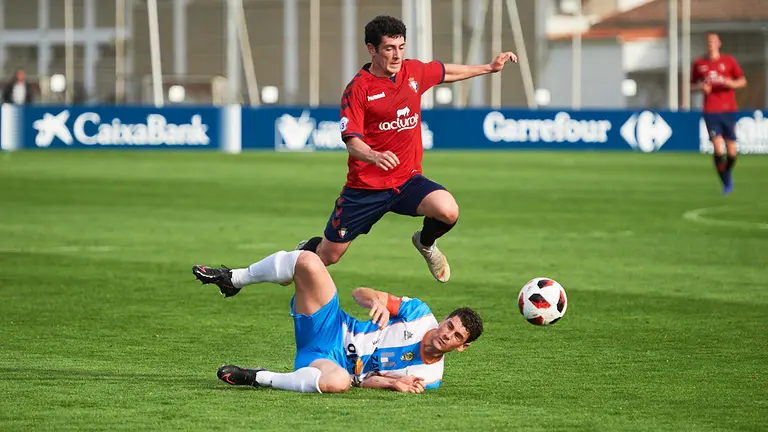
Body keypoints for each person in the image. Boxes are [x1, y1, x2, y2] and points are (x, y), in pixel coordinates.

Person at [295, 15, 518, 282]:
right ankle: (299, 253)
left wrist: (489, 68)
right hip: (366, 189)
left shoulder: (412, 73)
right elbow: (352, 143)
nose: (397, 55)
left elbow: (447, 72)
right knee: (327, 257)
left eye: (401, 47)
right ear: (372, 49)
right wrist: (374, 156)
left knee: (448, 210)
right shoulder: (358, 89)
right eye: (389, 48)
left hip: (406, 181)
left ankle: (425, 243)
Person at [191, 251, 483, 393]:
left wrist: (392, 385)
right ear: (444, 320)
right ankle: (233, 279)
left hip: (327, 361)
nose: (448, 334)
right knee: (307, 261)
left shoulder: (429, 378)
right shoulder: (419, 313)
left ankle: (256, 377)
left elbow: (365, 380)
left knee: (339, 381)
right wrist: (377, 301)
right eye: (450, 325)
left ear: (462, 347)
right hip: (333, 325)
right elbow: (359, 293)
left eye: (457, 336)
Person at [691, 33, 747, 195]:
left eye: (714, 41)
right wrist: (700, 88)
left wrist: (730, 83)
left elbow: (743, 81)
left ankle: (727, 172)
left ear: (719, 43)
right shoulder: (699, 64)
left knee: (732, 152)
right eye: (708, 42)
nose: (711, 44)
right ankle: (726, 183)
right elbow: (691, 85)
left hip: (728, 109)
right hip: (711, 110)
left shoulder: (728, 61)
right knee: (717, 148)